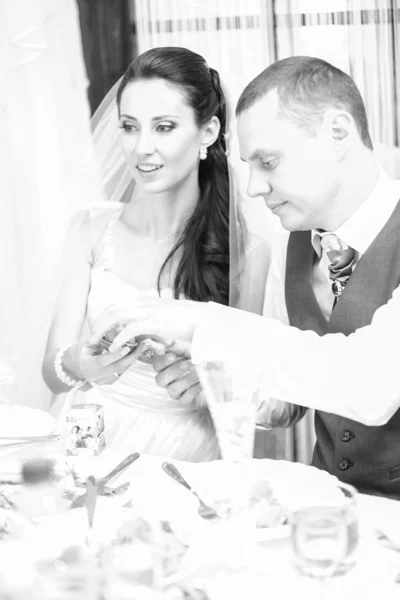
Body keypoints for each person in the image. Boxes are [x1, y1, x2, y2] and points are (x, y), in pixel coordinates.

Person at [96, 57, 400, 499]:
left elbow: (372, 384)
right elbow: (285, 405)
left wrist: (203, 323)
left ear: (338, 133)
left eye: (269, 162)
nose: (255, 187)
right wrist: (220, 383)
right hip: (334, 506)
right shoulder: (290, 243)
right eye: (249, 166)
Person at [42, 46, 231, 461]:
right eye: (130, 127)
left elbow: (267, 387)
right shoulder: (91, 229)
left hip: (188, 451)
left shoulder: (240, 247)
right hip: (91, 437)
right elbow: (53, 375)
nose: (141, 147)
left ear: (208, 131)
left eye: (164, 127)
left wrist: (211, 382)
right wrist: (78, 363)